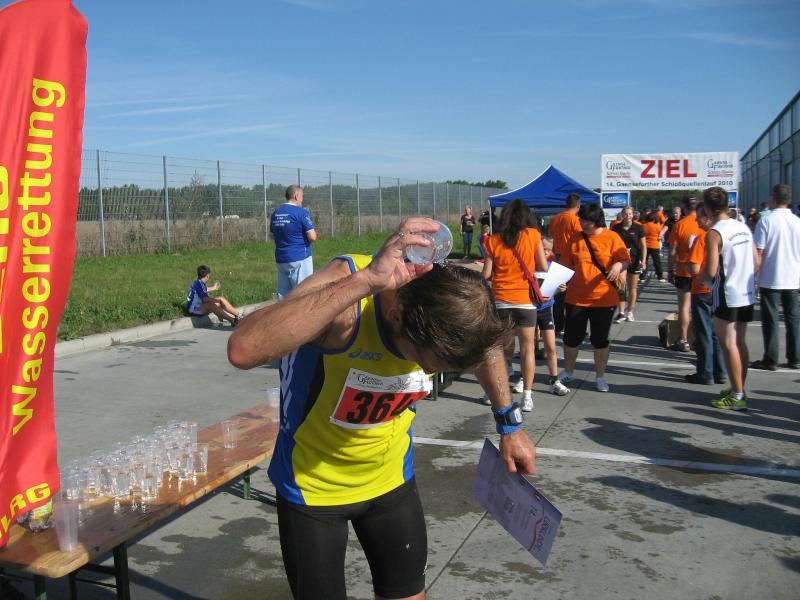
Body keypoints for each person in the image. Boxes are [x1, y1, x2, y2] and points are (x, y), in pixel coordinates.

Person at [227, 218, 536, 600]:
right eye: (425, 363)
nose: (425, 373)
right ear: (396, 317)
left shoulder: (444, 296)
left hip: (391, 480)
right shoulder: (349, 307)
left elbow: (483, 345)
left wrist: (509, 425)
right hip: (313, 490)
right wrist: (364, 281)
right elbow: (242, 349)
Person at [482, 200, 550, 411]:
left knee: (499, 350)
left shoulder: (493, 240)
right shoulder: (533, 235)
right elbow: (543, 265)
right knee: (528, 349)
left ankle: (496, 392)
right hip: (525, 301)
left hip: (501, 300)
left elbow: (486, 274)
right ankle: (527, 396)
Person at [558, 204, 631, 392]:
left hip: (604, 298)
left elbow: (625, 259)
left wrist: (618, 265)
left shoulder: (612, 237)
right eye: (581, 220)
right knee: (571, 338)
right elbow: (565, 265)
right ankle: (568, 371)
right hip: (576, 298)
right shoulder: (575, 239)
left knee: (600, 340)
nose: (582, 224)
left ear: (596, 221)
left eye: (586, 221)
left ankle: (600, 377)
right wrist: (560, 282)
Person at [701, 187, 758, 410]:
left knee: (728, 344)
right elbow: (756, 260)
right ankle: (738, 387)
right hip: (746, 292)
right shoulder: (742, 226)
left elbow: (711, 271)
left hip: (728, 293)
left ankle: (738, 395)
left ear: (708, 209)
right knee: (739, 342)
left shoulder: (715, 233)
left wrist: (701, 279)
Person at [751, 184, 800, 370]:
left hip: (771, 277)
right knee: (793, 319)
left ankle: (770, 359)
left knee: (770, 320)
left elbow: (759, 252)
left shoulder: (767, 221)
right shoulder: (797, 221)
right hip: (793, 277)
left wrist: (755, 277)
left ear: (773, 198)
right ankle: (795, 357)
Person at [684, 203, 727, 385]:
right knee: (716, 332)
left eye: (699, 218)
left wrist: (687, 267)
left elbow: (694, 267)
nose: (696, 221)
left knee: (703, 333)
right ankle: (720, 371)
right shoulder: (722, 235)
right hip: (718, 289)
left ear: (707, 217)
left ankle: (705, 372)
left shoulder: (703, 237)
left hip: (702, 289)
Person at [668, 196, 702, 353]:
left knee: (684, 306)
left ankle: (684, 340)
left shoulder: (680, 225)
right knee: (701, 306)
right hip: (702, 270)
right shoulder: (705, 223)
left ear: (684, 207)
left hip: (684, 270)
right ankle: (699, 338)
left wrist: (670, 270)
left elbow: (672, 251)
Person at [270, 185, 317, 298]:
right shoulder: (301, 212)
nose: (302, 200)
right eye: (302, 197)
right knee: (303, 295)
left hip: (281, 259)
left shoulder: (276, 212)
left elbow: (272, 236)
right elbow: (312, 237)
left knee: (284, 297)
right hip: (299, 258)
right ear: (296, 196)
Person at [547, 192, 582, 334]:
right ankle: (572, 325)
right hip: (571, 258)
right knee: (573, 292)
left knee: (559, 292)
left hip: (558, 257)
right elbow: (581, 238)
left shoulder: (556, 218)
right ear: (578, 205)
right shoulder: (575, 220)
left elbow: (550, 235)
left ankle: (559, 324)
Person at [611, 207, 647, 322]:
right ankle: (621, 312)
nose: (628, 216)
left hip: (635, 260)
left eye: (630, 214)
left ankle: (630, 311)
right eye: (626, 214)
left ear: (633, 215)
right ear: (622, 215)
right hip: (621, 261)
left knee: (632, 287)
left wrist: (644, 261)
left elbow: (644, 246)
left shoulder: (638, 228)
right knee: (621, 286)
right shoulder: (616, 228)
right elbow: (611, 243)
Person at [641, 213, 666, 282]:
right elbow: (660, 236)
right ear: (654, 219)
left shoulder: (643, 226)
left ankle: (642, 276)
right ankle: (660, 276)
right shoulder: (657, 226)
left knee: (644, 261)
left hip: (645, 245)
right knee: (657, 262)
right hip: (655, 245)